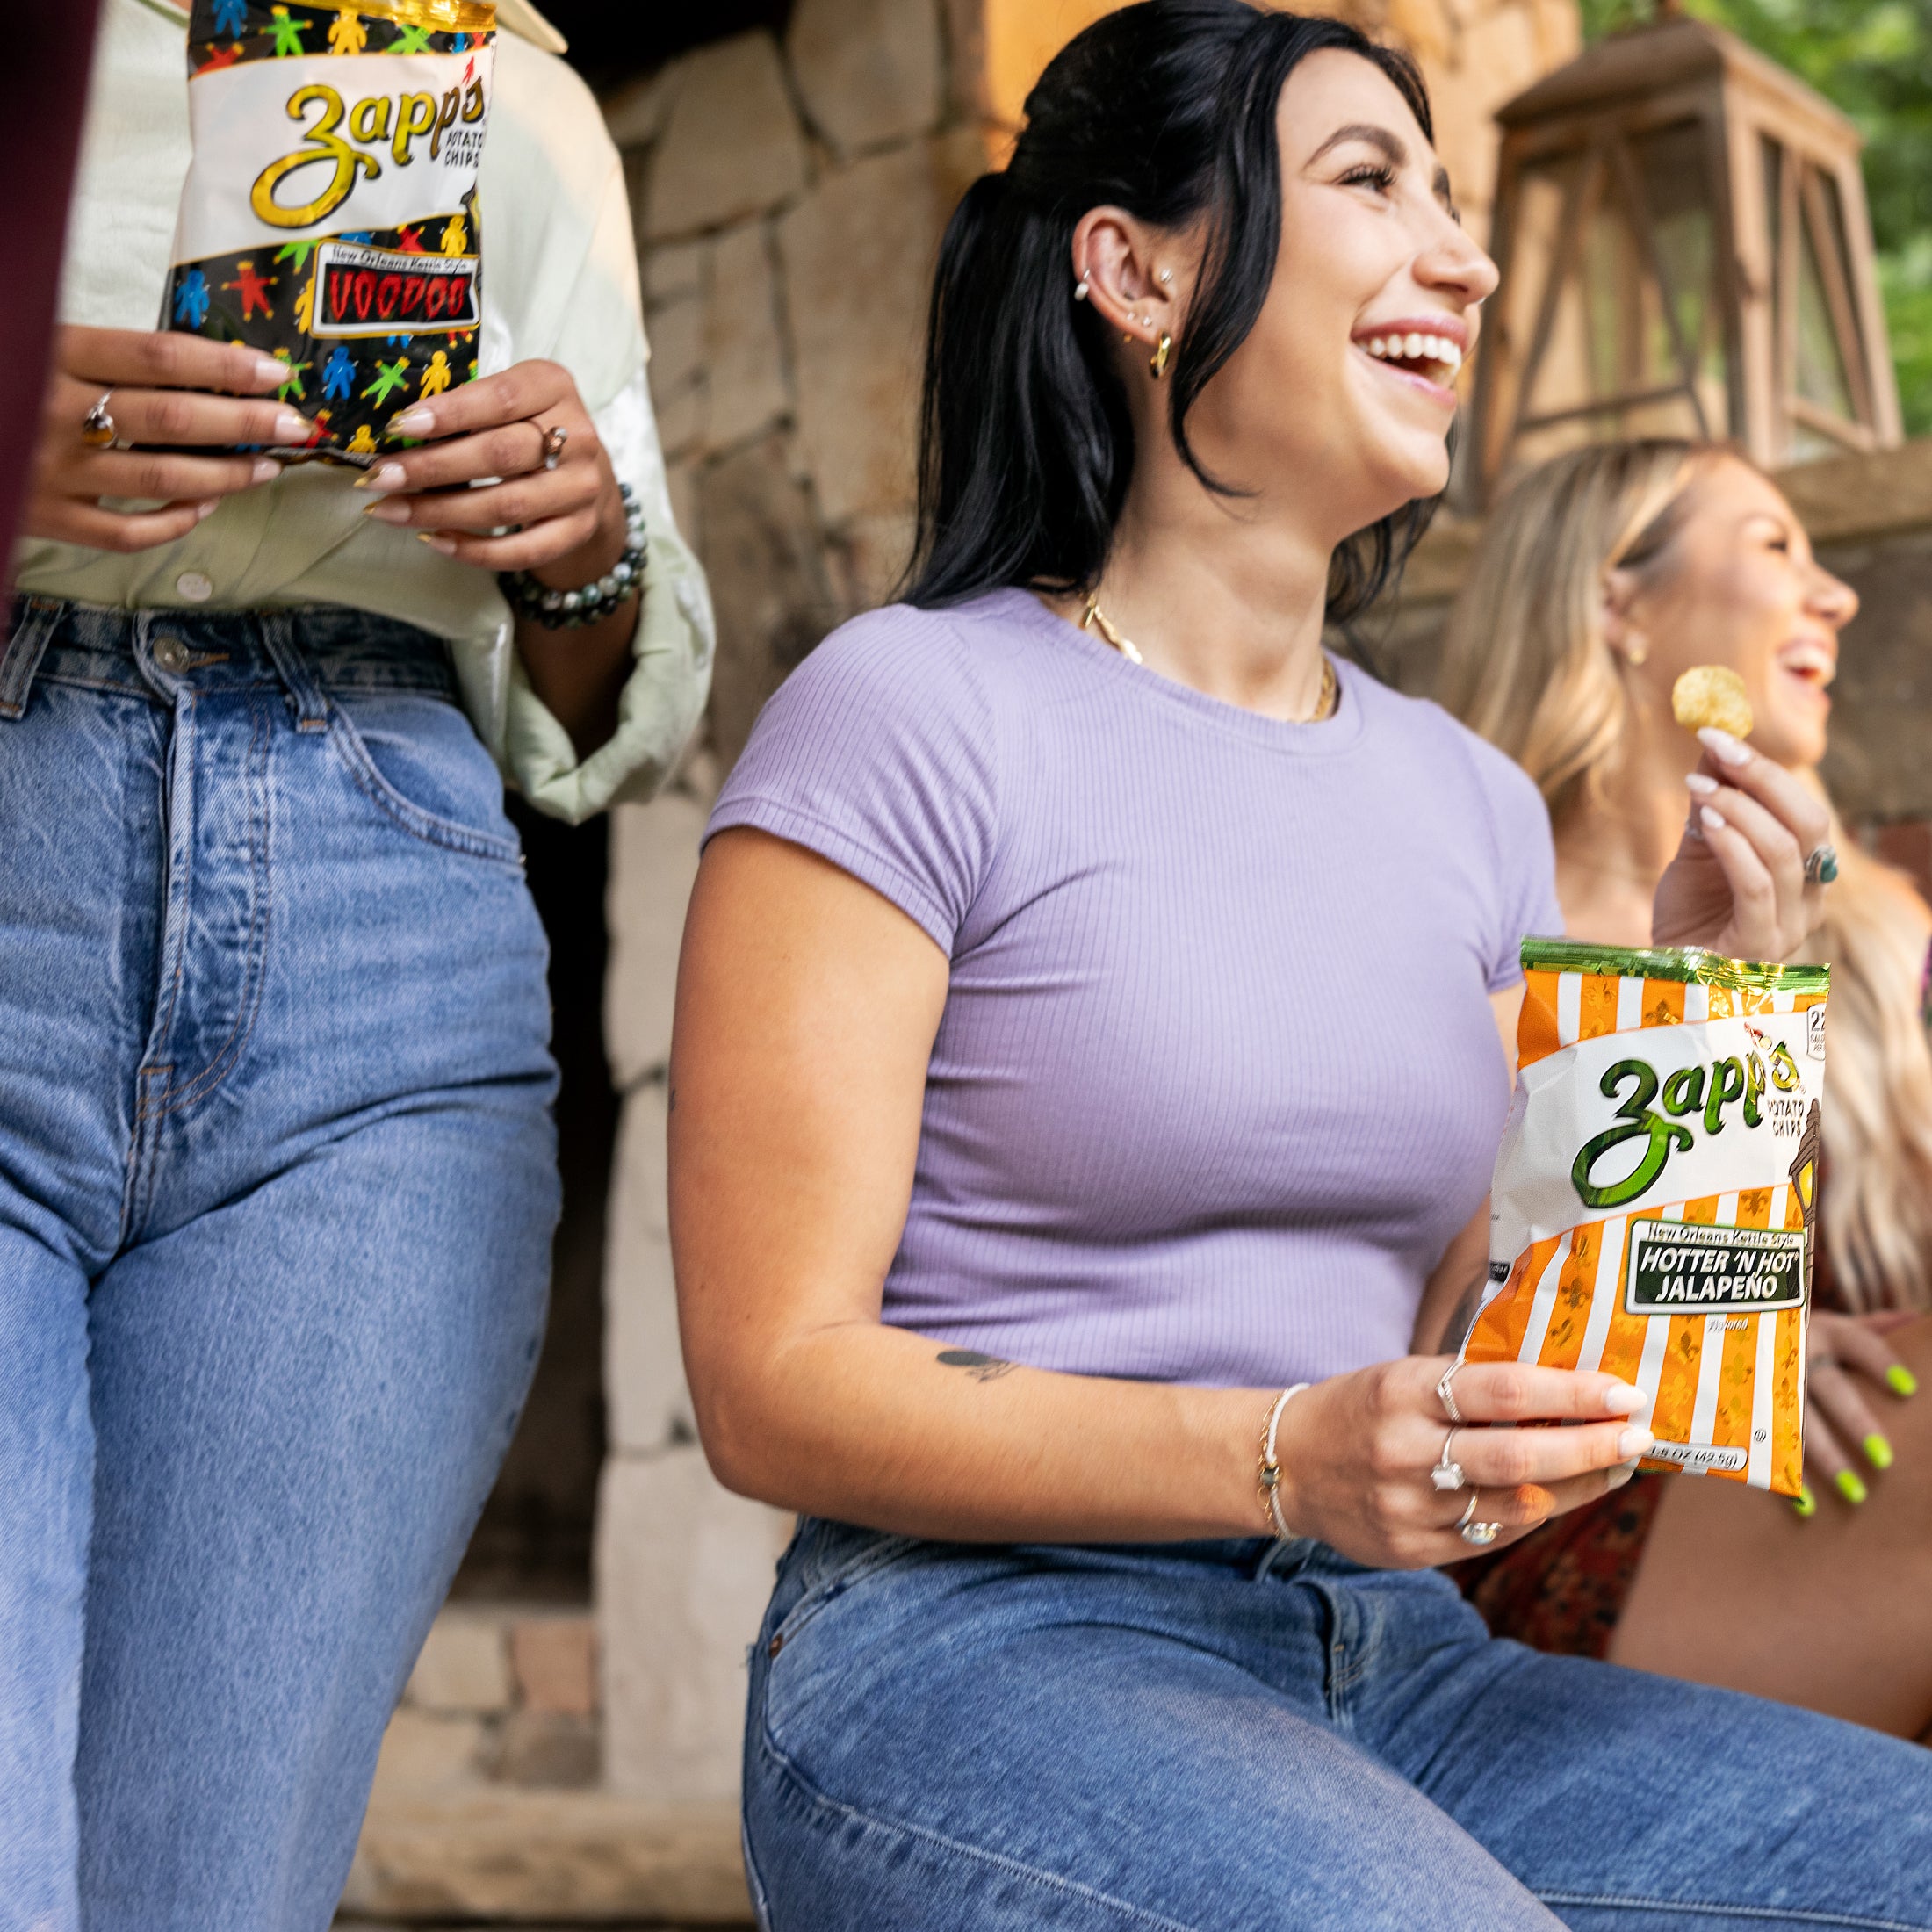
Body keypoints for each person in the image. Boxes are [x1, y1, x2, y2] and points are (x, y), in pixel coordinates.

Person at [667, 4, 1932, 1927]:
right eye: (1367, 180)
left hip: (1401, 1661)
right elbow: (769, 1386)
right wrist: (1277, 1452)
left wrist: (1703, 1023)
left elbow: (1539, 1383)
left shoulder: (1470, 804)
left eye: (1455, 199)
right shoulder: (909, 708)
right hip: (977, 1646)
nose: (1465, 253)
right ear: (1137, 267)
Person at [0, 1, 712, 1926]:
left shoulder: (527, 107)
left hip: (380, 925)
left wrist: (573, 541)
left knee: (204, 1892)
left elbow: (607, 690)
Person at [1434, 437, 1932, 1738]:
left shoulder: (1883, 928)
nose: (1836, 597)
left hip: (1865, 1489)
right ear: (1616, 601)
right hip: (1582, 1527)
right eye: (1775, 548)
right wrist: (1731, 1347)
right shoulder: (1489, 933)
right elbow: (1464, 1332)